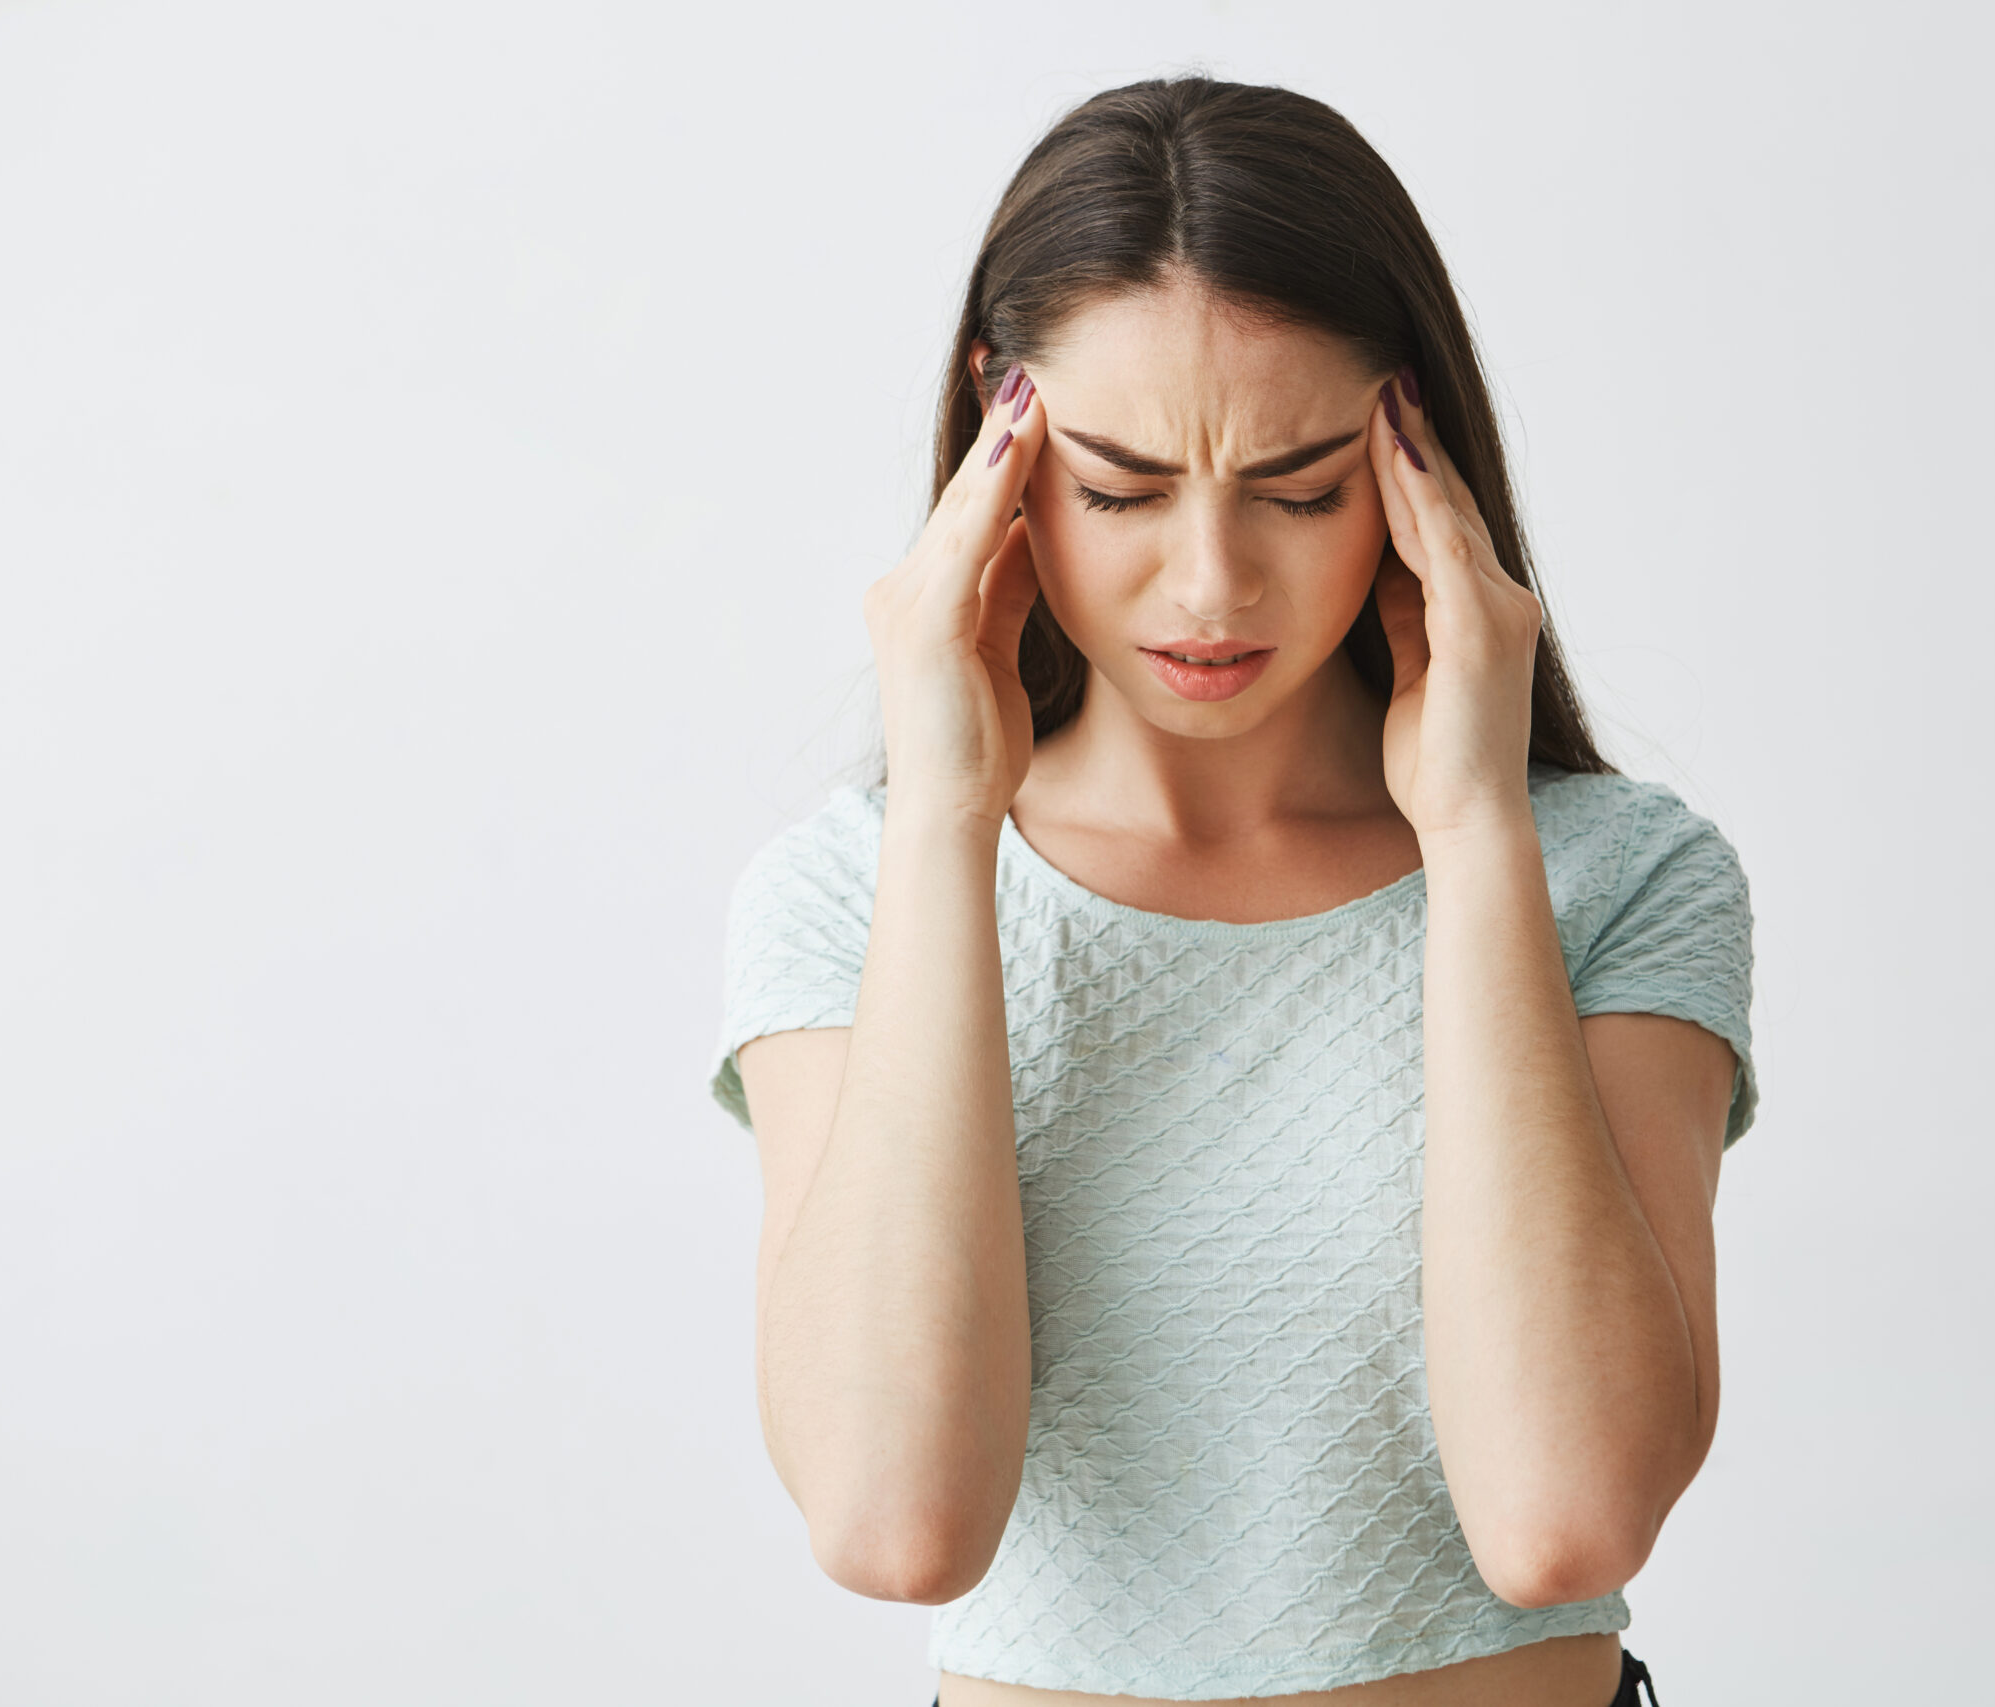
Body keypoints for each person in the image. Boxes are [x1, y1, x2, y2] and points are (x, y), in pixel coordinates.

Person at [709, 76, 1755, 1707]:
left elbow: (1564, 1515)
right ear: (1005, 448)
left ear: (1414, 455)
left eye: (1301, 487)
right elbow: (896, 1518)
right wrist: (946, 828)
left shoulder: (1618, 880)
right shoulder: (850, 898)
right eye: (1122, 489)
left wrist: (1474, 828)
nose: (1210, 585)